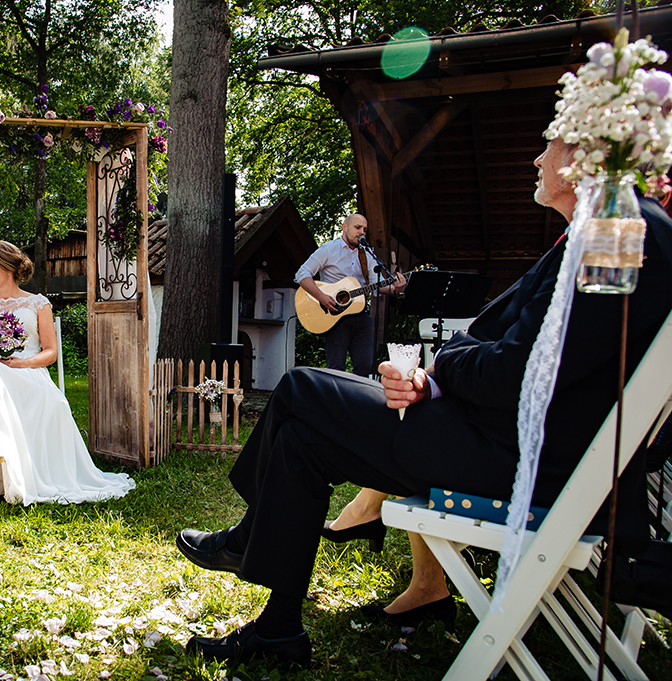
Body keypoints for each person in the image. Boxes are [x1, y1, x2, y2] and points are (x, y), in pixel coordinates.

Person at [174, 139, 672, 667]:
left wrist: (438, 372)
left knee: (299, 389)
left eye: (550, 145)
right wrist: (430, 382)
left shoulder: (620, 232)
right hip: (505, 440)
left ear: (583, 156)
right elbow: (518, 352)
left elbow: (524, 373)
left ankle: (248, 538)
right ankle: (277, 631)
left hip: (520, 462)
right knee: (301, 438)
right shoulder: (616, 228)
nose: (537, 158)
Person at [0, 241, 135, 510]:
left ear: (8, 267)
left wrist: (23, 364)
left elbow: (50, 352)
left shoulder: (37, 303)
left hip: (30, 376)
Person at [295, 213, 407, 376]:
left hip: (359, 314)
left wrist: (397, 289)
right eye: (358, 227)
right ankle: (335, 400)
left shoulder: (367, 254)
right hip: (334, 314)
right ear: (345, 227)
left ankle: (357, 399)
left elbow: (377, 284)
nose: (362, 232)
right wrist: (322, 297)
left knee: (365, 365)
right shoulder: (329, 249)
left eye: (365, 229)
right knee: (336, 367)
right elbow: (302, 274)